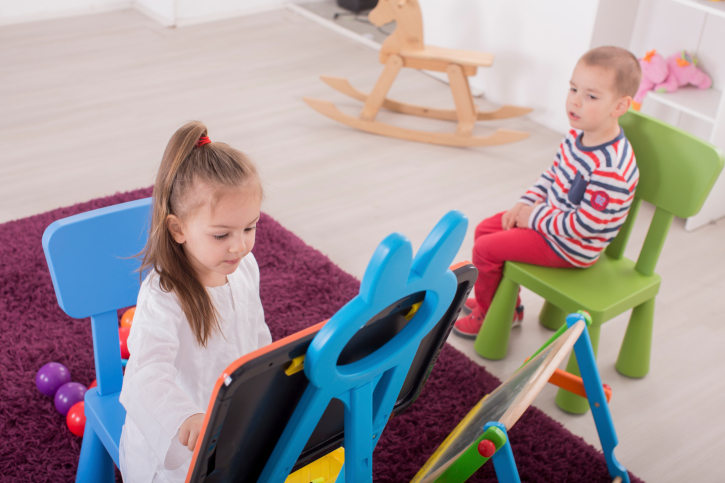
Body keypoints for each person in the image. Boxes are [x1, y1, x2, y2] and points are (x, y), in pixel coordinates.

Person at [119, 121, 272, 482]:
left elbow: (256, 332)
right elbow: (146, 373)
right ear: (178, 229)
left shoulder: (244, 267)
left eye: (249, 227)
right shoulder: (163, 297)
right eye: (222, 234)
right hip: (180, 440)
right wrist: (184, 417)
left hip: (232, 420)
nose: (240, 246)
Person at [453, 46, 642, 338]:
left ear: (619, 106)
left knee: (485, 250)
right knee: (484, 231)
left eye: (590, 96)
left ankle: (490, 316)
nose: (575, 102)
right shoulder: (577, 135)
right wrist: (525, 204)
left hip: (571, 245)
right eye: (573, 89)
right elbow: (553, 175)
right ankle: (507, 308)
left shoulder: (611, 168)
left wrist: (532, 217)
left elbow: (585, 226)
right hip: (547, 222)